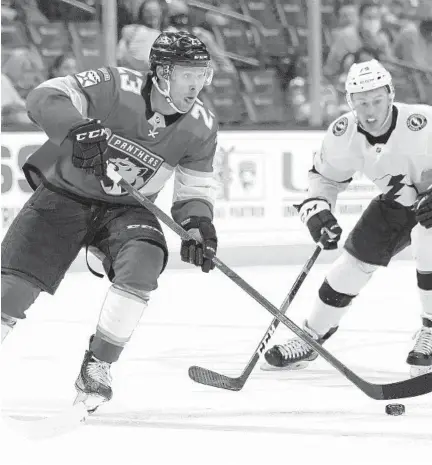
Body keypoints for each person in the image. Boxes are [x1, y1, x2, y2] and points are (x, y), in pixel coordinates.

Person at [1, 31, 219, 413]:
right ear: (163, 72)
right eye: (188, 74)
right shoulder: (117, 85)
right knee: (10, 292)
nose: (197, 84)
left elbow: (194, 188)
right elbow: (44, 96)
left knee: (145, 262)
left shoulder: (201, 124)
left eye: (203, 74)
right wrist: (75, 127)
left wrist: (197, 225)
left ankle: (98, 365)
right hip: (65, 194)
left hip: (126, 211)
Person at [262, 59, 432, 378]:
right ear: (350, 102)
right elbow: (324, 180)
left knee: (429, 238)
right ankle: (311, 338)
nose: (370, 110)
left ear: (391, 95)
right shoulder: (344, 134)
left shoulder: (423, 122)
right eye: (361, 102)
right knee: (349, 268)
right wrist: (318, 210)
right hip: (396, 203)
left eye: (377, 100)